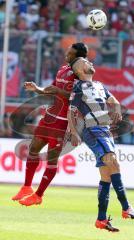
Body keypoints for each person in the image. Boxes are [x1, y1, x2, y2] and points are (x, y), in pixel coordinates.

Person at [67, 57, 134, 232]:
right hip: (92, 130)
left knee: (106, 175)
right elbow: (70, 112)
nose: (90, 63)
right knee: (114, 162)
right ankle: (126, 207)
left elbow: (113, 100)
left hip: (105, 131)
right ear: (78, 70)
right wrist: (73, 132)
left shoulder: (100, 85)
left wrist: (116, 108)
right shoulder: (78, 87)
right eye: (85, 62)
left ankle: (101, 219)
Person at [12, 43, 88, 206]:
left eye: (71, 52)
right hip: (49, 117)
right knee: (33, 149)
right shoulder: (62, 69)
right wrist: (37, 89)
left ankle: (39, 195)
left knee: (51, 160)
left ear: (79, 57)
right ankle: (26, 187)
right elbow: (52, 88)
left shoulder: (80, 74)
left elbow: (80, 98)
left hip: (62, 122)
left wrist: (59, 92)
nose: (67, 53)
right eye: (68, 51)